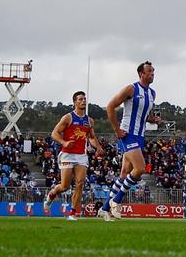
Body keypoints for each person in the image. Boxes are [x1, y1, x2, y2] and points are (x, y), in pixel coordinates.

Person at [100, 61, 162, 221]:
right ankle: (116, 200)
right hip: (128, 134)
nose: (153, 73)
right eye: (150, 71)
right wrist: (117, 130)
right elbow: (110, 106)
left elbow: (143, 114)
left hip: (140, 135)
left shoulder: (152, 93)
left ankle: (105, 208)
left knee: (124, 174)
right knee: (140, 169)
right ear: (141, 73)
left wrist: (152, 119)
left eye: (153, 71)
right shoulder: (131, 88)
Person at [43, 90, 103, 220]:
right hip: (67, 154)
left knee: (80, 183)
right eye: (80, 99)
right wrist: (63, 142)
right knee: (64, 186)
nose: (83, 101)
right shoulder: (68, 117)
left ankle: (73, 213)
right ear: (75, 102)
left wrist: (98, 147)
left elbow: (91, 137)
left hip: (81, 155)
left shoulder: (89, 121)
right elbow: (54, 133)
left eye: (84, 99)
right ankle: (52, 194)